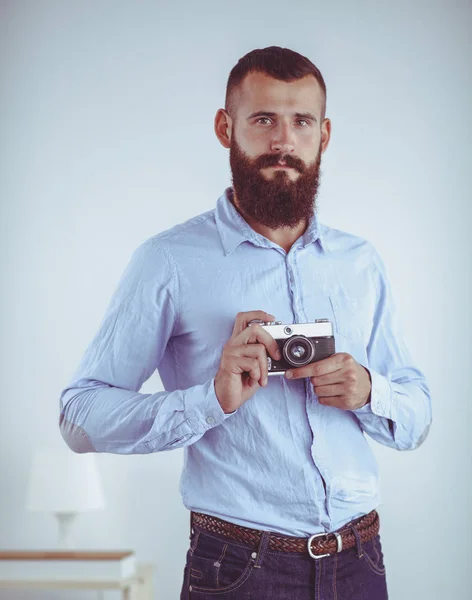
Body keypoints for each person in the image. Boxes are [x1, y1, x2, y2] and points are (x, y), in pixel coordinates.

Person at [59, 46, 432, 599]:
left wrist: (369, 391)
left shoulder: (361, 263)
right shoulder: (169, 261)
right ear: (224, 126)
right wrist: (210, 398)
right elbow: (79, 417)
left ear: (323, 135)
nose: (283, 142)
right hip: (239, 570)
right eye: (263, 120)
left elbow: (420, 415)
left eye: (301, 122)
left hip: (360, 564)